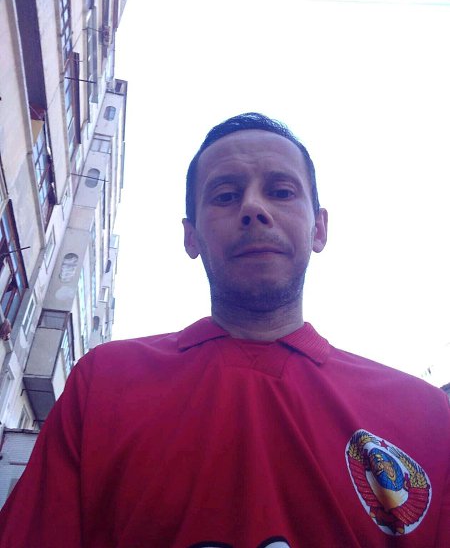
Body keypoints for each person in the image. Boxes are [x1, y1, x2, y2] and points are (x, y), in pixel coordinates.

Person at [0, 113, 449, 548]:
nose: (253, 208)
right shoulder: (103, 384)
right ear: (191, 237)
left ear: (320, 228)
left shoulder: (427, 418)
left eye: (281, 191)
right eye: (225, 195)